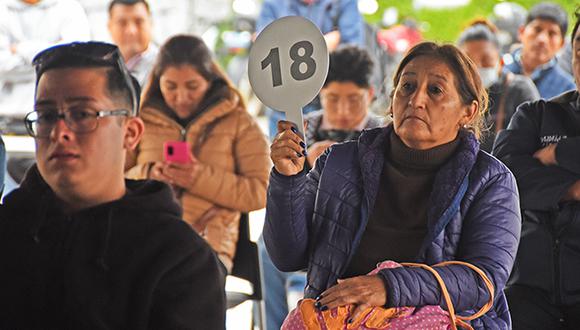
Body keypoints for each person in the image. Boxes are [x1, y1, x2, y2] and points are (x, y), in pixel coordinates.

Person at [265, 41, 521, 329]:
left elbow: (481, 281)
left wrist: (388, 287)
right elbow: (287, 257)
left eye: (435, 90)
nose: (416, 100)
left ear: (468, 112)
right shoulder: (338, 163)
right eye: (407, 87)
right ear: (393, 98)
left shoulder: (491, 180)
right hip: (334, 320)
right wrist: (287, 180)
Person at [0, 41, 226, 328]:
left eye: (82, 114)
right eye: (46, 116)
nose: (59, 132)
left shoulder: (179, 259)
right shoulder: (9, 232)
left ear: (130, 133)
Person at [259, 45, 384, 330]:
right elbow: (283, 191)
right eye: (332, 99)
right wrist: (306, 163)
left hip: (355, 230)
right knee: (267, 252)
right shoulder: (302, 128)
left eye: (354, 100)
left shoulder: (381, 133)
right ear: (319, 96)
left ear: (371, 94)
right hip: (307, 223)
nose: (342, 111)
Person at [125, 35, 270, 273]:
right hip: (144, 240)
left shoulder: (238, 122)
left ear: (210, 80)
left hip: (208, 246)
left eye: (192, 86)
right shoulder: (141, 122)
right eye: (170, 86)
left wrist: (197, 177)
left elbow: (260, 191)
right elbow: (114, 179)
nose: (181, 97)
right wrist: (149, 174)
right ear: (157, 82)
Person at [493, 12, 580, 330]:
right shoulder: (537, 114)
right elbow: (506, 178)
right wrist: (571, 189)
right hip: (528, 288)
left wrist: (559, 152)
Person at [256, 0, 365, 138]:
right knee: (284, 151)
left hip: (327, 98)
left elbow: (352, 52)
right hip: (284, 99)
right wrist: (323, 44)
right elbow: (264, 48)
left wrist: (289, 47)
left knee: (329, 154)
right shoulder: (274, 3)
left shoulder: (344, 3)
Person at [458, 19, 539, 152]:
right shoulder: (453, 94)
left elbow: (533, 141)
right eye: (469, 62)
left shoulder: (519, 89)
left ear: (500, 62)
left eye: (486, 60)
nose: (477, 68)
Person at [503, 2, 574, 100]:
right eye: (537, 29)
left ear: (562, 44)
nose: (542, 39)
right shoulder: (499, 69)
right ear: (521, 32)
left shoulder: (568, 89)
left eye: (552, 33)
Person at [108, 0, 158, 86]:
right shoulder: (100, 69)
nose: (131, 31)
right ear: (109, 27)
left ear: (151, 23)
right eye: (122, 23)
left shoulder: (164, 67)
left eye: (139, 21)